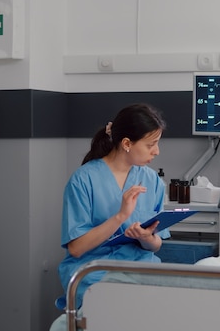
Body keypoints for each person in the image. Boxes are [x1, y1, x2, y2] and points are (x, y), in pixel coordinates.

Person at [56, 103, 168, 310]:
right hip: (94, 270)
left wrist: (147, 238)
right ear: (127, 143)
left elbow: (157, 245)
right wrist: (120, 216)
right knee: (120, 305)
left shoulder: (152, 181)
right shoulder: (83, 180)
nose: (157, 151)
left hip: (140, 267)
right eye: (151, 144)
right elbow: (77, 248)